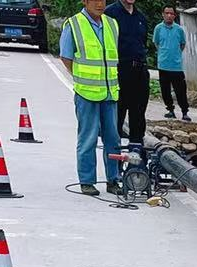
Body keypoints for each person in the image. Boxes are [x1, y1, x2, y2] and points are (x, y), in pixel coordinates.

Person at [60, 0, 122, 196]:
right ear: (85, 1)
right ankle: (87, 181)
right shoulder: (74, 24)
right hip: (86, 93)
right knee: (88, 138)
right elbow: (66, 57)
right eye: (94, 0)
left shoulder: (112, 24)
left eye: (102, 0)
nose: (99, 4)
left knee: (113, 139)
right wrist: (81, 77)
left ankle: (114, 179)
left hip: (110, 92)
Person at [106, 0, 150, 143]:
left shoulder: (141, 17)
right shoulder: (109, 15)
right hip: (119, 71)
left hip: (140, 72)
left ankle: (136, 149)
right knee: (116, 115)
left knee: (138, 116)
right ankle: (113, 153)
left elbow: (142, 43)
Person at [154, 7, 190, 122]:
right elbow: (156, 43)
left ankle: (184, 112)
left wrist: (175, 54)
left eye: (171, 13)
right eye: (167, 13)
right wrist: (163, 54)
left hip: (176, 66)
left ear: (175, 15)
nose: (169, 15)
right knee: (165, 90)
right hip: (163, 65)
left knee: (181, 91)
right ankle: (170, 110)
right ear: (163, 14)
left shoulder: (179, 29)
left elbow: (182, 44)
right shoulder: (158, 28)